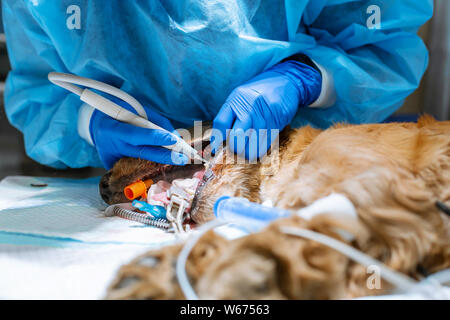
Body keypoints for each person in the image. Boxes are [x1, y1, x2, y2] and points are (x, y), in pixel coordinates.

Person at [2, 1, 433, 169]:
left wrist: (306, 77)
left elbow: (383, 50)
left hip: (299, 162)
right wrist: (89, 122)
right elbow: (40, 92)